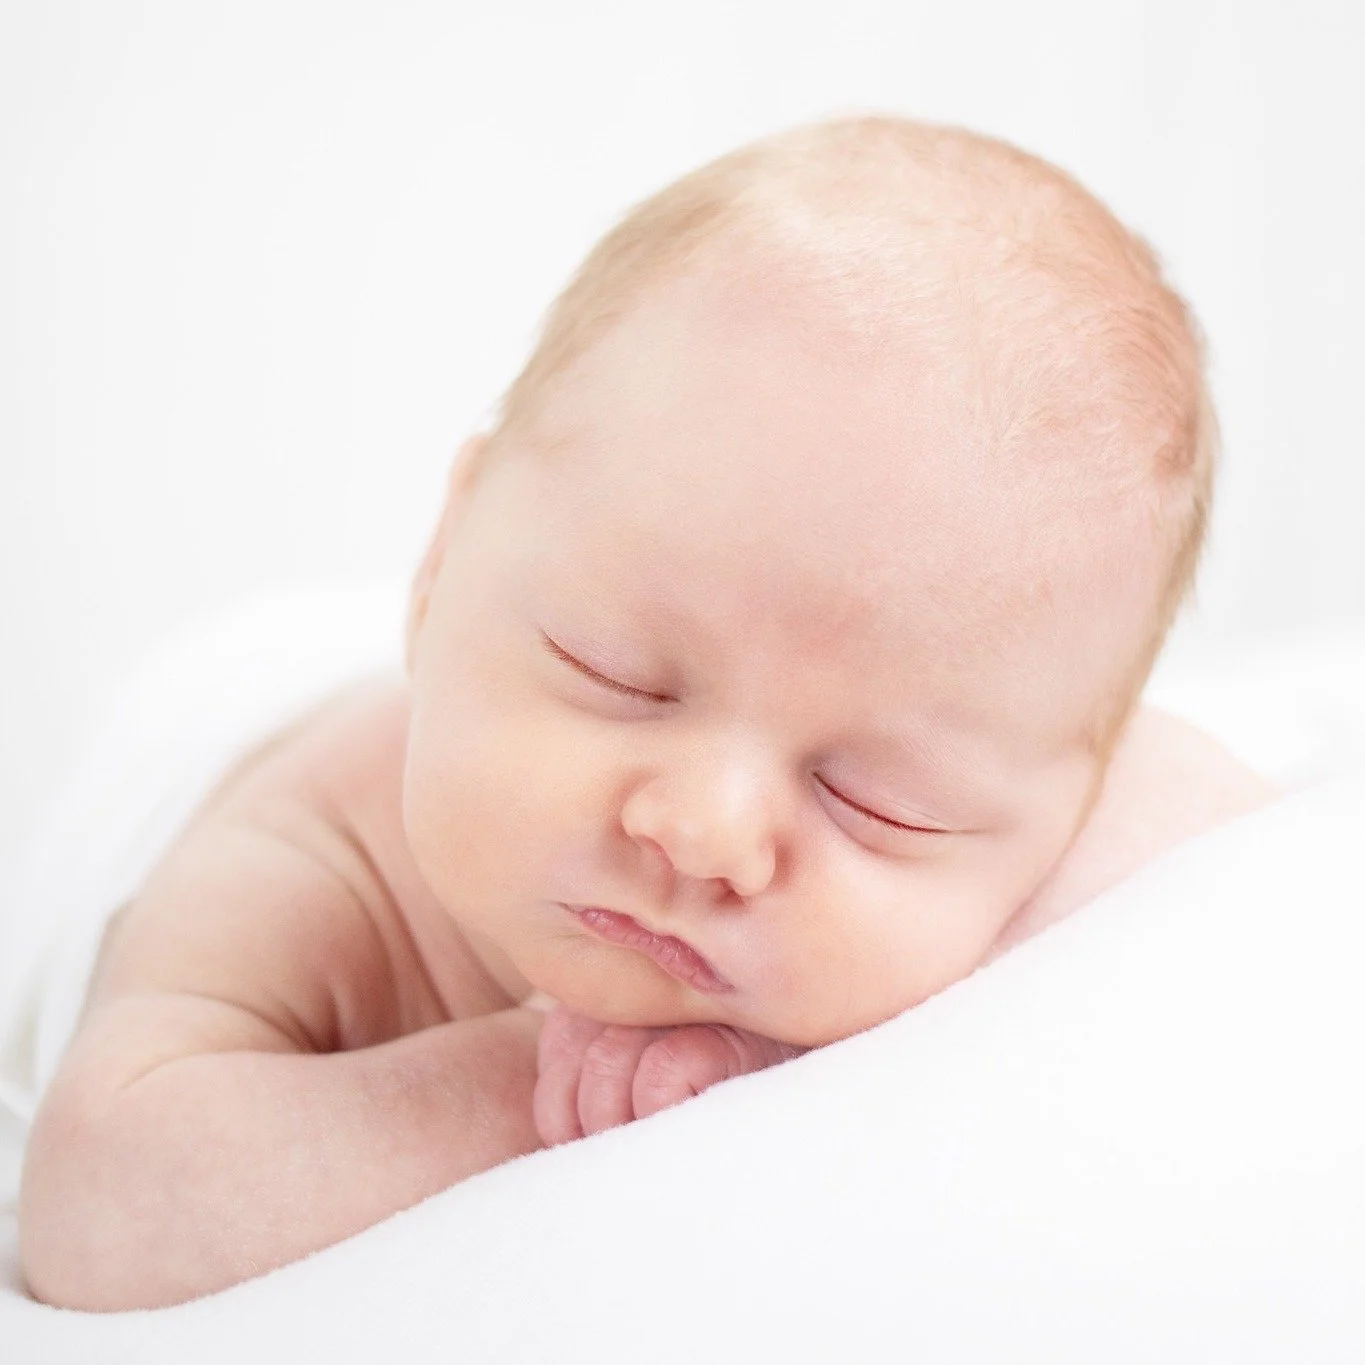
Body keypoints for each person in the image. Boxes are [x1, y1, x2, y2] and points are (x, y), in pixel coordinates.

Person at [18, 115, 1272, 1311]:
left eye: (876, 801)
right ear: (444, 553)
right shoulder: (318, 853)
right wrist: (545, 1080)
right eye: (619, 674)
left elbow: (1205, 825)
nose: (707, 831)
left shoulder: (1045, 779)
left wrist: (761, 1058)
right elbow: (94, 1205)